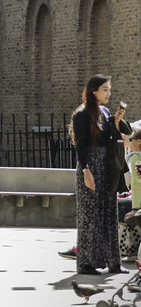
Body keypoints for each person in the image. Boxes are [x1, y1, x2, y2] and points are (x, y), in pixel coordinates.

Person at [71, 74, 126, 274]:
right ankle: (86, 263)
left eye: (109, 89)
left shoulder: (105, 111)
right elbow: (81, 144)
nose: (108, 93)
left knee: (109, 212)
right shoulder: (82, 114)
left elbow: (109, 138)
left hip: (106, 165)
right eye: (105, 89)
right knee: (90, 215)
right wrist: (86, 170)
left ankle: (113, 263)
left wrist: (116, 122)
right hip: (90, 165)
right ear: (93, 90)